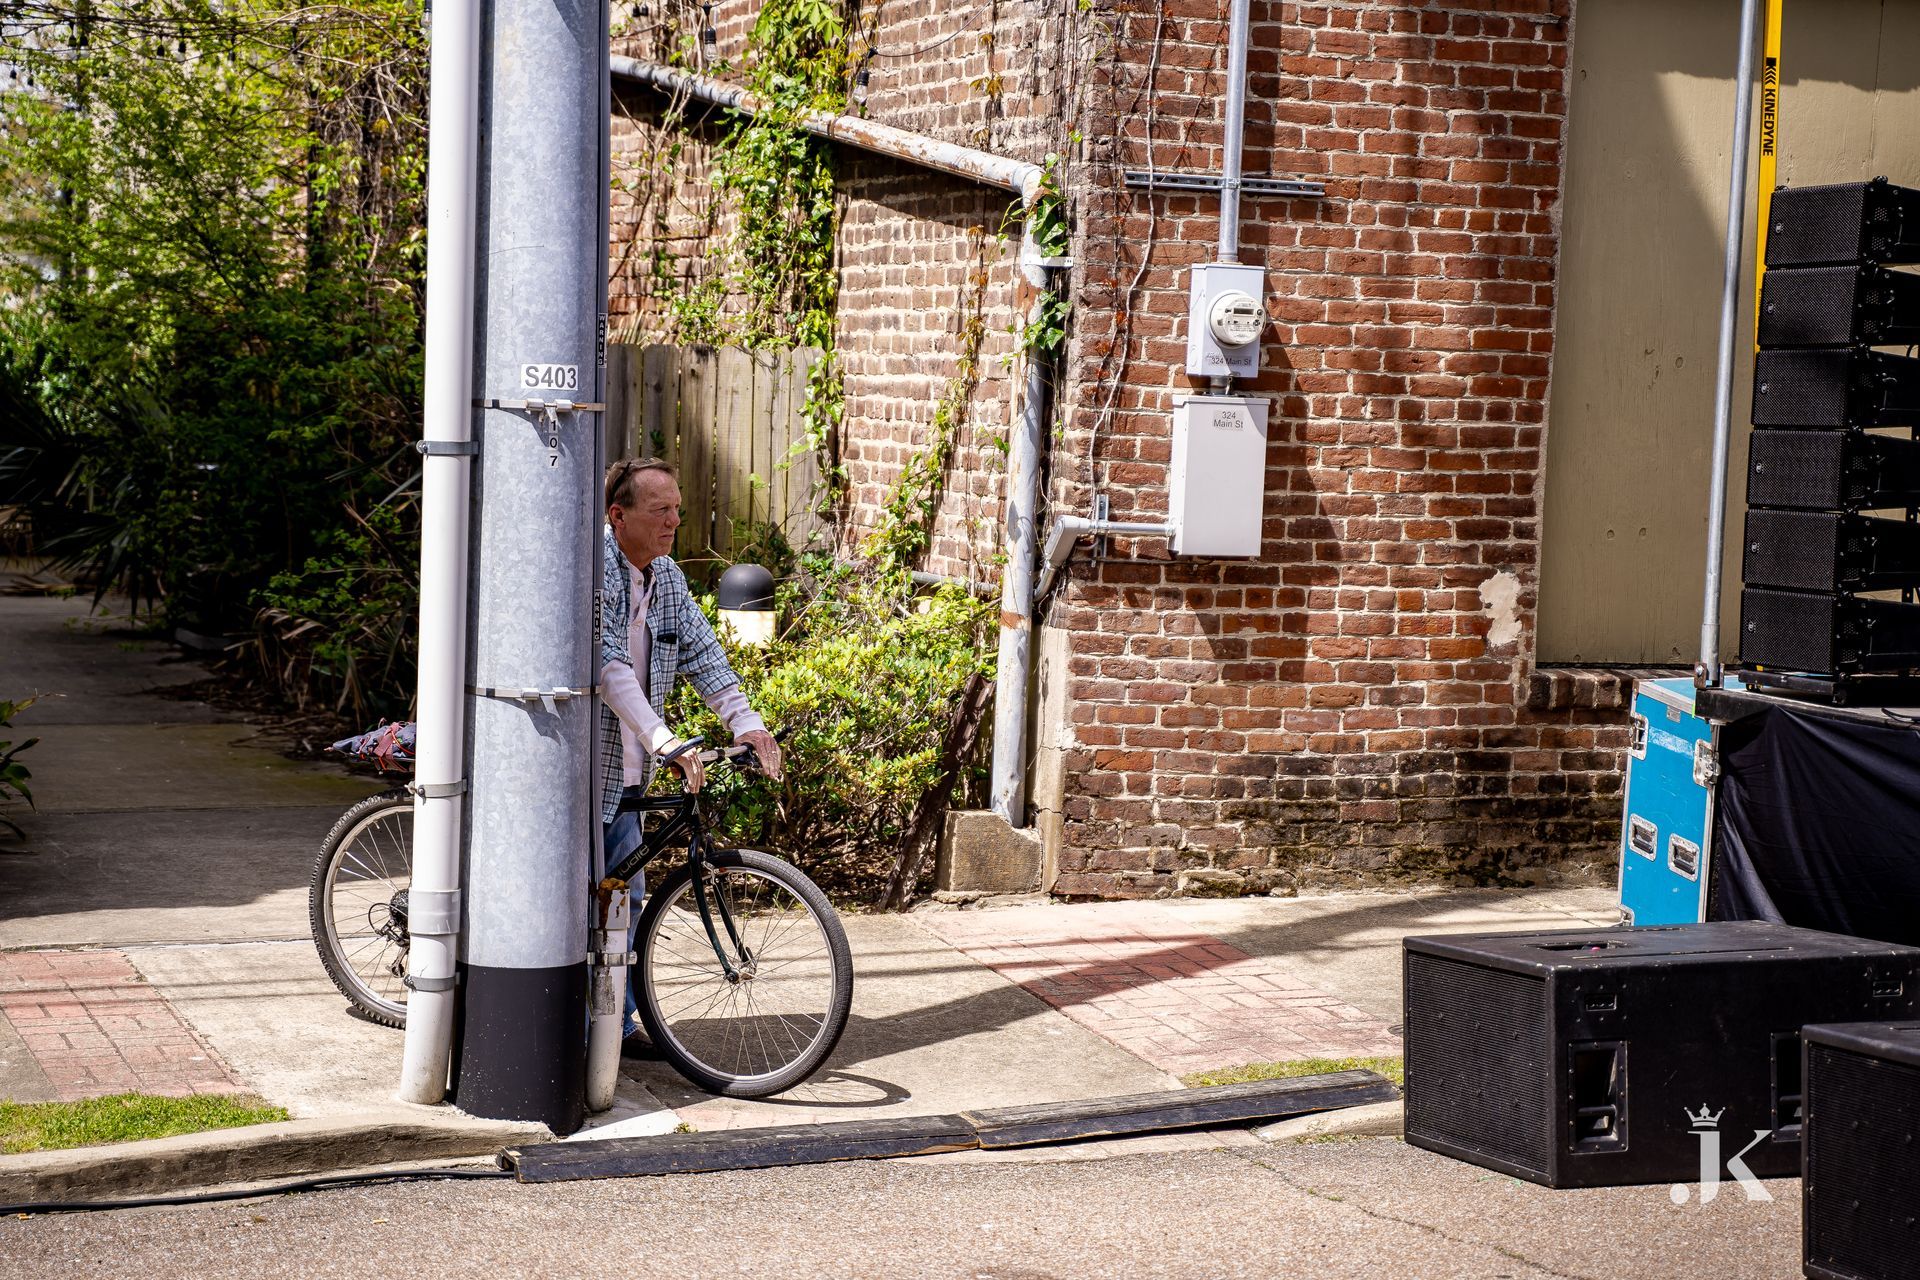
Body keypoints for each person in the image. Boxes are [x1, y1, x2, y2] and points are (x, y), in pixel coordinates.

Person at [598, 457, 781, 1051]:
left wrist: (748, 724)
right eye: (661, 510)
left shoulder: (667, 578)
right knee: (576, 909)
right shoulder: (595, 568)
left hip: (629, 773)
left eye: (677, 507)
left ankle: (616, 1029)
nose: (675, 519)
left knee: (623, 900)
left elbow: (705, 657)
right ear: (618, 516)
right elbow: (607, 667)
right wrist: (667, 741)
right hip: (577, 772)